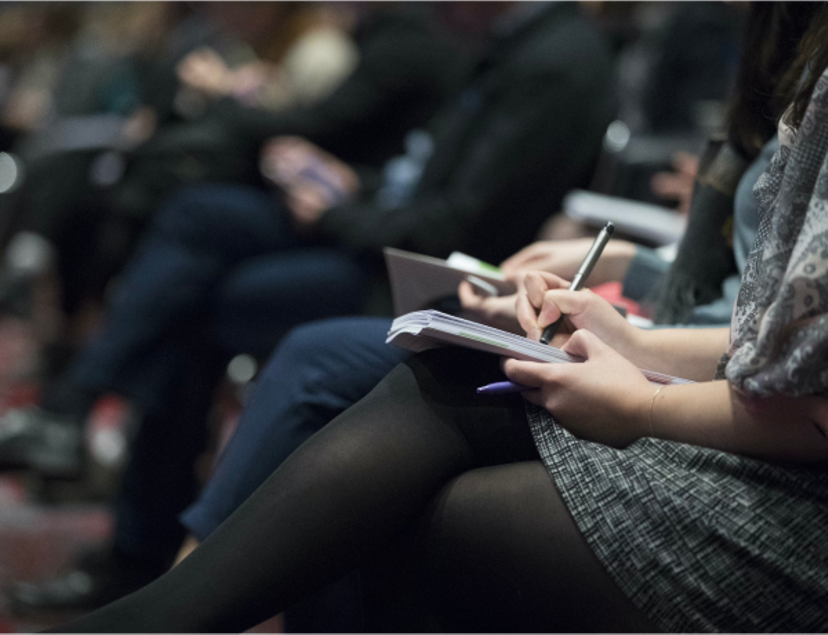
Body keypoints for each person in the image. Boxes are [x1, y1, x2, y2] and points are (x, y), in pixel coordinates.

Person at [34, 5, 828, 628]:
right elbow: (773, 331)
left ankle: (155, 586)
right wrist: (629, 331)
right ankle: (150, 580)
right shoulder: (784, 59)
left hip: (788, 498)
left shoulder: (541, 55)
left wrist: (645, 383)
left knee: (364, 441)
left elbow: (801, 385)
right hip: (704, 371)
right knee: (215, 260)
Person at [1, 0, 617, 615]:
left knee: (208, 306)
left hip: (440, 284)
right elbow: (428, 185)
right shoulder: (507, 39)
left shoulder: (547, 59)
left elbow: (456, 226)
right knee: (197, 219)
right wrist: (350, 185)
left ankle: (153, 576)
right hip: (394, 241)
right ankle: (141, 552)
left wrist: (337, 211)